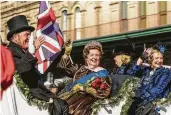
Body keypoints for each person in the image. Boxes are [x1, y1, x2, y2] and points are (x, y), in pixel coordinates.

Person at [6, 15, 69, 115]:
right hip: (29, 96)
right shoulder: (10, 51)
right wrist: (31, 51)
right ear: (15, 37)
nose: (29, 37)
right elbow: (24, 69)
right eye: (26, 35)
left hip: (38, 92)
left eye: (30, 35)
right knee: (61, 105)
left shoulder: (20, 51)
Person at [57, 40, 111, 115]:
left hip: (86, 101)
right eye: (92, 55)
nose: (94, 57)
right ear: (86, 57)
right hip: (70, 96)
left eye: (97, 55)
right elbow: (64, 66)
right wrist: (67, 53)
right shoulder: (80, 68)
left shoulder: (102, 72)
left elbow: (103, 92)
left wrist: (83, 88)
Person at [127, 48, 171, 115]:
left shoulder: (165, 72)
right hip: (140, 105)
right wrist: (141, 58)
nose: (159, 60)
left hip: (155, 108)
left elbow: (157, 90)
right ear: (150, 59)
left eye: (161, 58)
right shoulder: (146, 70)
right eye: (156, 58)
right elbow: (129, 75)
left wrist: (139, 96)